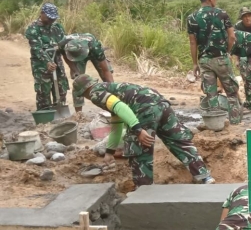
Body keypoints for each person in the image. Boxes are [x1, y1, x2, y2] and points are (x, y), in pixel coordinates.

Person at [72, 75, 214, 187]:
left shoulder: (96, 93)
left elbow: (121, 108)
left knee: (139, 149)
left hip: (144, 109)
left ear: (84, 92)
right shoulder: (111, 89)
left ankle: (144, 190)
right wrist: (109, 153)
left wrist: (138, 129)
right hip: (160, 103)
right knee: (178, 141)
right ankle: (204, 177)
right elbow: (117, 124)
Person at [187, 0, 242, 125]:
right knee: (231, 93)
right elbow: (232, 37)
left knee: (211, 94)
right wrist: (227, 52)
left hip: (205, 61)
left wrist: (195, 64)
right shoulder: (222, 14)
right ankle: (235, 123)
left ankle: (215, 125)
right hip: (221, 58)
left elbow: (193, 43)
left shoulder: (192, 18)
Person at [25, 3, 69, 111]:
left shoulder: (57, 28)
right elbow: (36, 48)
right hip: (41, 66)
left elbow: (64, 46)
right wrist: (47, 62)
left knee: (61, 89)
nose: (51, 20)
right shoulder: (33, 29)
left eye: (53, 18)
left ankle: (60, 113)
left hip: (58, 64)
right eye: (49, 17)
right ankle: (44, 116)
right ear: (42, 13)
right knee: (43, 92)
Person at [59, 33, 114, 113]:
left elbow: (106, 70)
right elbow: (65, 56)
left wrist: (113, 89)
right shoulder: (63, 44)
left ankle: (112, 104)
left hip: (91, 51)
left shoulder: (95, 47)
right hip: (76, 54)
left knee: (105, 77)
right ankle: (79, 114)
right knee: (78, 82)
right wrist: (74, 69)